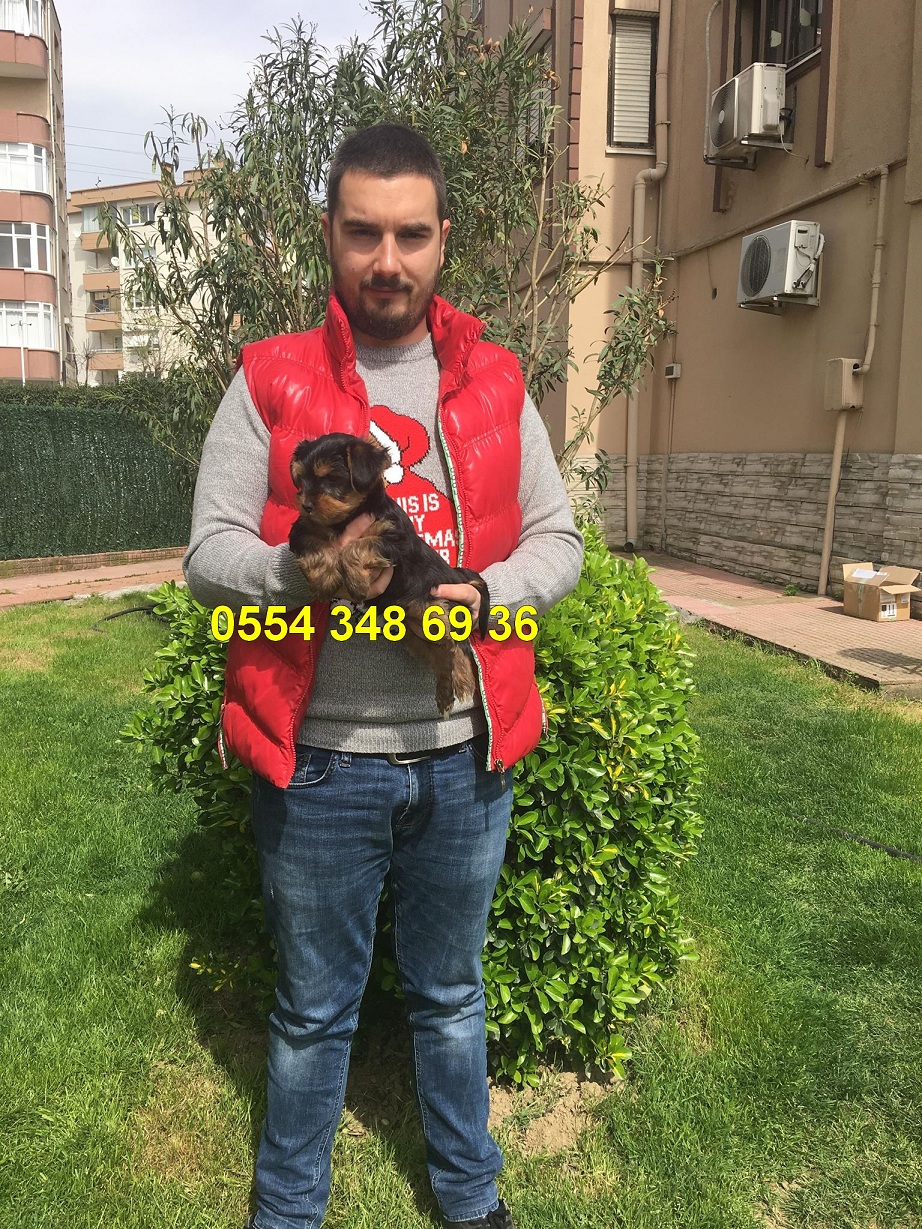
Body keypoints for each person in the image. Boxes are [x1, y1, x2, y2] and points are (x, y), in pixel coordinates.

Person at [183, 123, 583, 1229]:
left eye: (411, 234)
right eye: (364, 232)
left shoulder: (497, 379)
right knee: (314, 1010)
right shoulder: (268, 377)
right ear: (330, 233)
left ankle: (470, 1195)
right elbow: (207, 556)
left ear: (444, 237)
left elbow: (559, 540)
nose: (388, 260)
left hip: (464, 757)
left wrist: (487, 595)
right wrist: (306, 567)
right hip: (319, 761)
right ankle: (287, 1208)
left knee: (451, 994)